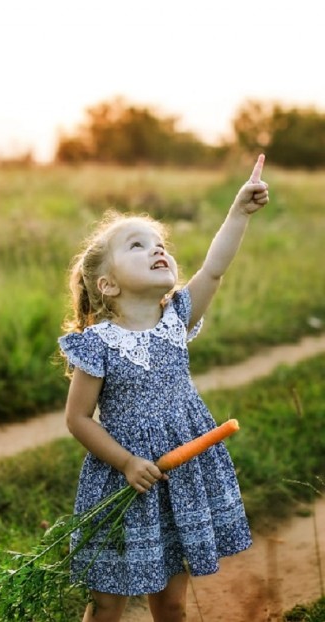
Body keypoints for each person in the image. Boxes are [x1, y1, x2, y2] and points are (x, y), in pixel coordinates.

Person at [58, 155, 269, 622]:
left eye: (160, 244)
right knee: (108, 601)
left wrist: (238, 212)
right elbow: (76, 419)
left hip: (181, 476)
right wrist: (127, 461)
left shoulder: (175, 319)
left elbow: (213, 270)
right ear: (107, 284)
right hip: (123, 480)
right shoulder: (98, 344)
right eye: (138, 245)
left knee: (171, 601)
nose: (158, 250)